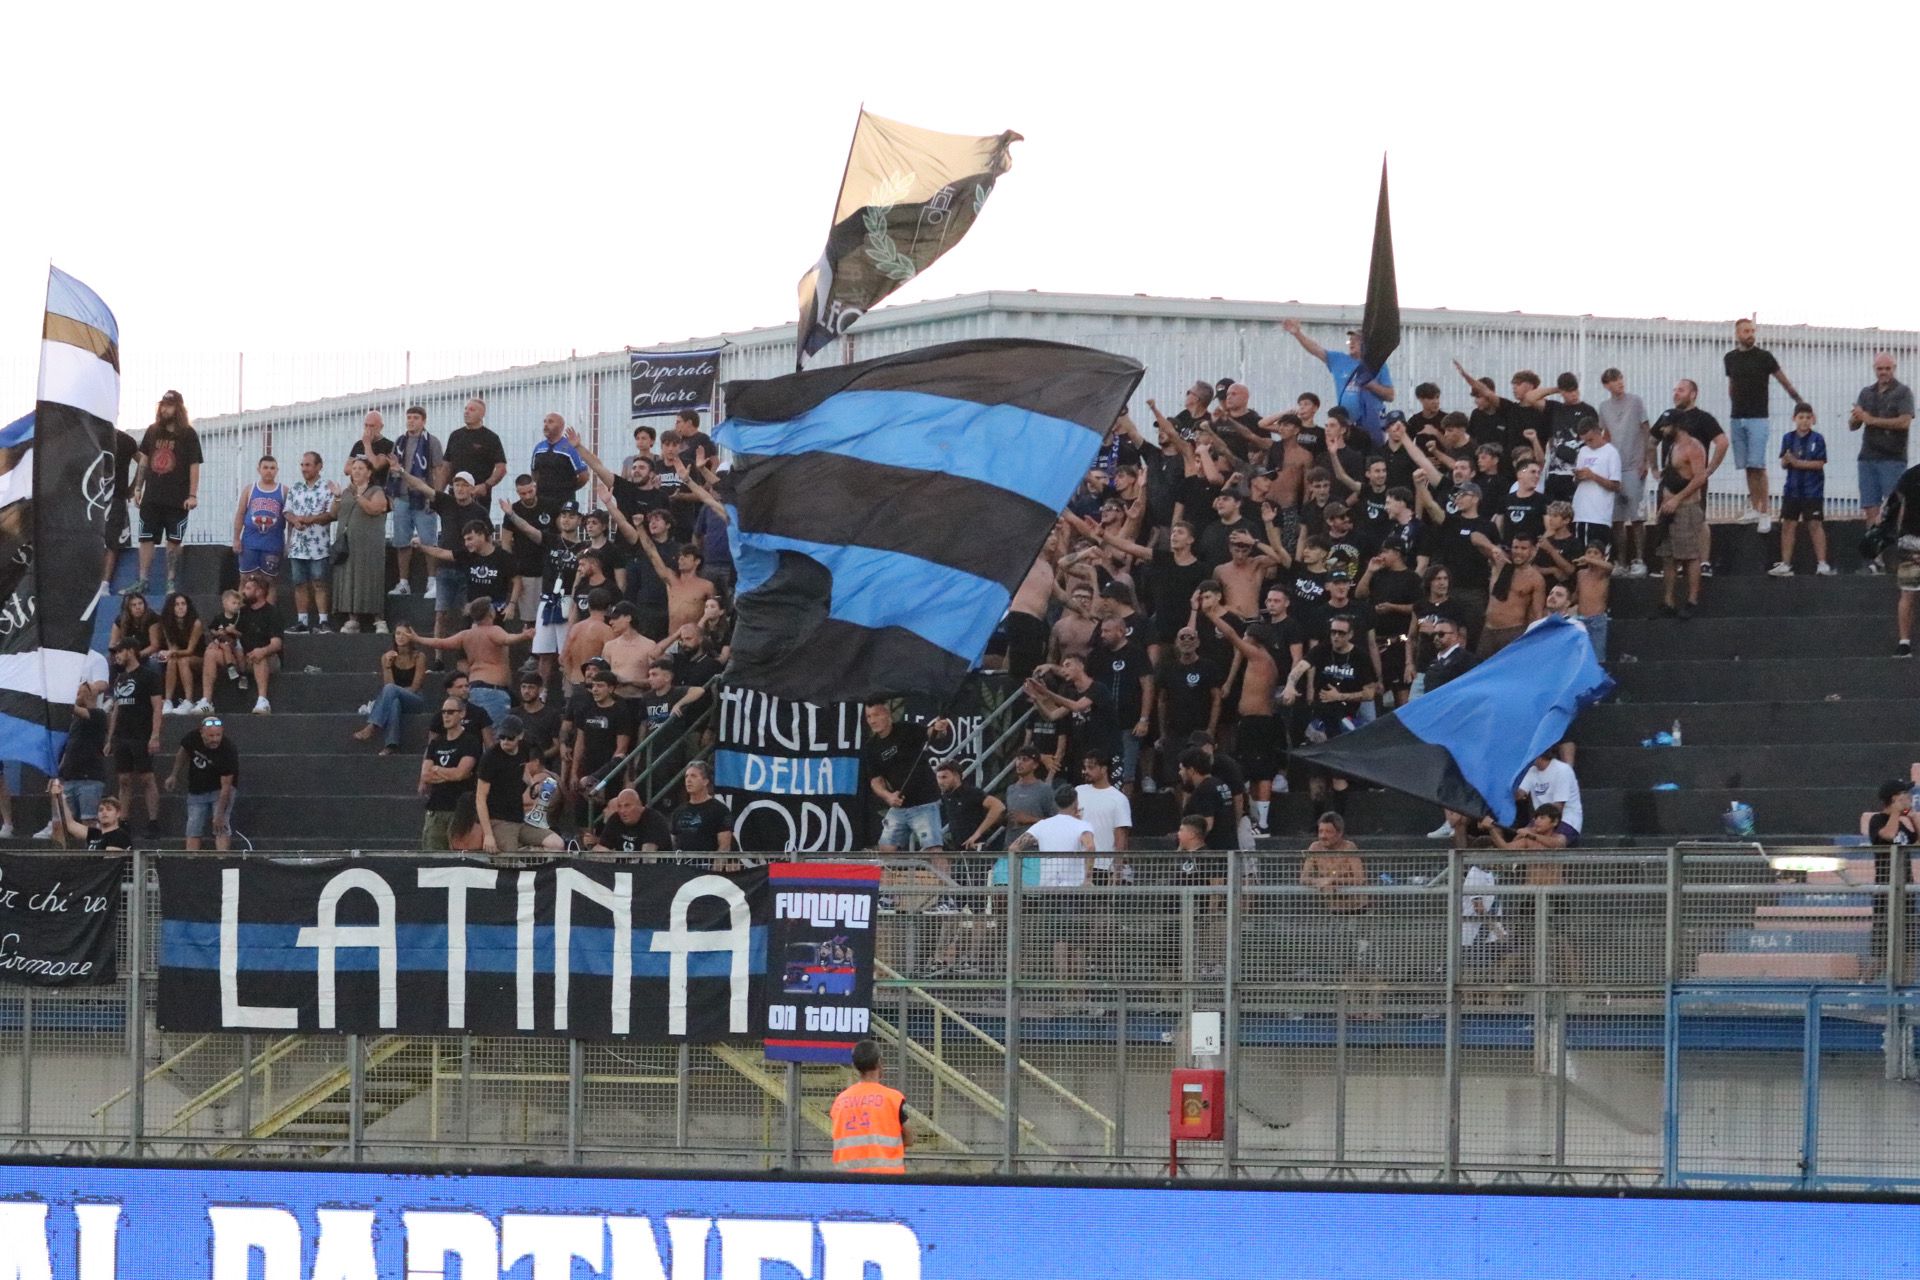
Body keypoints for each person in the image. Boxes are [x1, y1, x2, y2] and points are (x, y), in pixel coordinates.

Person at [1724, 319, 1803, 531]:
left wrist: (1799, 401)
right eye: (1746, 331)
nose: (1750, 334)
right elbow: (1732, 385)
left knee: (1758, 465)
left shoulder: (1764, 357)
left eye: (1752, 331)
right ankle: (1755, 507)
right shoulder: (1730, 358)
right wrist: (1735, 407)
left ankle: (1766, 511)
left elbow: (1783, 381)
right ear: (1737, 334)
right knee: (1747, 466)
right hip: (1737, 417)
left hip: (1758, 417)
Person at [130, 389, 203, 595]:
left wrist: (192, 495)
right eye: (163, 405)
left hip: (177, 498)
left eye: (169, 406)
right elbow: (144, 460)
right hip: (152, 497)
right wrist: (138, 487)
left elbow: (194, 465)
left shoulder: (188, 434)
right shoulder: (153, 431)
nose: (164, 410)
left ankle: (170, 581)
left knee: (173, 540)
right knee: (145, 537)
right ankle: (143, 580)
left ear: (178, 409)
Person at [864, 700, 951, 864]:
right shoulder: (871, 747)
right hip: (899, 805)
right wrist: (888, 796)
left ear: (888, 715)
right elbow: (876, 781)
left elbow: (932, 733)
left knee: (933, 849)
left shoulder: (906, 729)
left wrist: (939, 728)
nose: (872, 720)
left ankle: (945, 882)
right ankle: (889, 881)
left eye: (876, 715)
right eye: (868, 717)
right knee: (885, 849)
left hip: (925, 802)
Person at [1283, 319, 1394, 442]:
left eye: (1357, 340)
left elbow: (1390, 395)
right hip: (1347, 424)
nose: (1351, 343)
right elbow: (1316, 349)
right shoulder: (1339, 360)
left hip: (1371, 423)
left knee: (1372, 450)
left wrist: (1372, 386)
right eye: (1350, 340)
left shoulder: (1378, 364)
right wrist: (1297, 333)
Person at [475, 716, 566, 854]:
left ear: (520, 736)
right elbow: (480, 798)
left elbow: (521, 767)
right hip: (498, 820)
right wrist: (488, 834)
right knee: (510, 856)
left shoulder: (524, 748)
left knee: (557, 844)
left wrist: (532, 783)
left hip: (520, 818)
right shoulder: (490, 759)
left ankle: (532, 856)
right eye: (502, 737)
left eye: (510, 738)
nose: (505, 741)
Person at [33, 682, 110, 841]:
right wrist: (56, 775)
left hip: (89, 778)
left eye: (79, 693)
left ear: (89, 695)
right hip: (69, 778)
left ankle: (94, 850)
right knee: (63, 821)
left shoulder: (99, 715)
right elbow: (67, 750)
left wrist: (56, 698)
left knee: (89, 820)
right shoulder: (73, 722)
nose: (76, 697)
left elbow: (75, 709)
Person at [196, 574, 281, 715]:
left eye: (248, 588)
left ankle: (263, 701)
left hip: (266, 658)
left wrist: (263, 651)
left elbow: (276, 644)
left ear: (259, 592)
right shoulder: (240, 611)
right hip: (240, 656)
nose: (243, 592)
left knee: (258, 654)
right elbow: (229, 633)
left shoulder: (272, 613)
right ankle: (206, 702)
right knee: (210, 653)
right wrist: (217, 641)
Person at [1861, 779, 1920, 978]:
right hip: (1886, 892)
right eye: (1905, 794)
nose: (1909, 797)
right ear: (1895, 798)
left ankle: (1906, 988)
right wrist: (1896, 812)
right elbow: (1887, 835)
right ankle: (1863, 984)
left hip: (1905, 890)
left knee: (1909, 949)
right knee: (1882, 954)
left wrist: (1913, 817)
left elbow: (1917, 841)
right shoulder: (1877, 820)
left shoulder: (1902, 823)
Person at [1853, 354, 1916, 538]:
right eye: (1880, 369)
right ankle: (1874, 547)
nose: (1883, 372)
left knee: (1893, 505)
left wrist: (1871, 420)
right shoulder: (1866, 393)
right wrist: (1857, 416)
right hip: (1867, 457)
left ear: (1894, 369)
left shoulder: (1903, 392)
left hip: (1892, 458)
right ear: (1875, 369)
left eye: (1887, 368)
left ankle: (1894, 545)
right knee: (1870, 506)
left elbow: (1904, 422)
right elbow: (1853, 425)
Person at [1655, 410, 1709, 619]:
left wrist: (1677, 499)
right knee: (1668, 557)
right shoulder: (1672, 447)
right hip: (1669, 509)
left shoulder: (1693, 447)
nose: (1663, 429)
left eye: (1666, 425)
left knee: (1690, 556)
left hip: (1686, 508)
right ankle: (1668, 601)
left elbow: (1700, 477)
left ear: (1677, 425)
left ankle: (1692, 600)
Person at [330, 454, 392, 634]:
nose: (356, 471)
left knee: (371, 579)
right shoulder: (346, 492)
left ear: (369, 472)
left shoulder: (376, 490)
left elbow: (376, 508)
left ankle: (379, 620)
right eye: (354, 468)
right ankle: (352, 620)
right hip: (349, 546)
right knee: (350, 579)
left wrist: (358, 495)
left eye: (360, 468)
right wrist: (337, 497)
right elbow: (334, 514)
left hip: (369, 547)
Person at [105, 637, 163, 832]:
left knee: (147, 778)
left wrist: (155, 735)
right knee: (123, 780)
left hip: (141, 734)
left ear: (130, 651)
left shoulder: (149, 676)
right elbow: (116, 709)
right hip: (122, 735)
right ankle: (123, 821)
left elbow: (157, 707)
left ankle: (153, 821)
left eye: (120, 652)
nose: (117, 656)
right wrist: (110, 738)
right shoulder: (120, 678)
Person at [1599, 368, 1652, 576]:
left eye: (1620, 378)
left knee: (1637, 516)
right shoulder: (1604, 407)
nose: (1619, 383)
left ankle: (1639, 559)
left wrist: (1645, 460)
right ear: (1606, 385)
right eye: (1614, 380)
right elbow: (1606, 434)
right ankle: (1620, 561)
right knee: (1617, 519)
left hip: (1633, 464)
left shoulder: (1635, 401)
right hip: (1614, 468)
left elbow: (1646, 429)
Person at [829, 1039, 910, 1174]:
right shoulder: (893, 1099)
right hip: (887, 1178)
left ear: (855, 1066)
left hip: (847, 1179)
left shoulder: (839, 1102)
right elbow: (909, 1137)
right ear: (879, 1062)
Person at [386, 406, 443, 597]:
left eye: (415, 417)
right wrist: (391, 495)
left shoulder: (432, 442)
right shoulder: (399, 441)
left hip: (424, 498)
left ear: (423, 421)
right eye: (409, 417)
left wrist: (435, 497)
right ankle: (403, 583)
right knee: (401, 542)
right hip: (402, 497)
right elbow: (393, 468)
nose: (411, 421)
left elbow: (438, 470)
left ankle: (432, 582)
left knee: (429, 541)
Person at [414, 520, 517, 625]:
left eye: (470, 539)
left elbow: (517, 582)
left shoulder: (503, 557)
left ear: (481, 535)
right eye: (465, 540)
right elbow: (441, 552)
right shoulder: (467, 555)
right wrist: (421, 547)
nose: (466, 544)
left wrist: (512, 605)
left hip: (496, 612)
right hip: (473, 612)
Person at [1771, 404, 1833, 577]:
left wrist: (1798, 463)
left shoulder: (1817, 439)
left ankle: (1822, 563)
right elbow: (1784, 462)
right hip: (1792, 490)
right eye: (1801, 417)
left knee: (1814, 524)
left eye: (1808, 417)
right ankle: (1786, 564)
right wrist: (1787, 461)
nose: (1804, 421)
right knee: (1788, 525)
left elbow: (1819, 463)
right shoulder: (1788, 438)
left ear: (1812, 419)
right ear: (1794, 419)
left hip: (1812, 490)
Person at [282, 451, 336, 633]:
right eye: (302, 465)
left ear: (319, 466)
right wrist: (295, 521)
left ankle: (323, 621)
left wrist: (310, 519)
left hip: (319, 545)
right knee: (299, 583)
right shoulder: (295, 488)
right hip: (298, 546)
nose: (304, 469)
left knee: (319, 583)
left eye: (308, 465)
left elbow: (332, 514)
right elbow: (287, 511)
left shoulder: (327, 487)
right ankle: (302, 622)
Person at [419, 697, 483, 850]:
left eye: (450, 712)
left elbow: (461, 773)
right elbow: (426, 775)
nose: (446, 716)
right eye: (444, 712)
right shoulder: (436, 743)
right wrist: (450, 774)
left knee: (458, 855)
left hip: (460, 810)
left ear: (462, 713)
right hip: (436, 808)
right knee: (432, 854)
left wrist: (437, 769)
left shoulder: (471, 741)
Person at [566, 670, 636, 808]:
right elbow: (580, 742)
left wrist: (605, 776)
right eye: (593, 686)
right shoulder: (586, 709)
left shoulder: (621, 711)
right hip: (587, 768)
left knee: (608, 810)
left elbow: (621, 749)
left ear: (611, 688)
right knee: (583, 812)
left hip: (609, 771)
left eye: (600, 685)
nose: (595, 689)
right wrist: (574, 772)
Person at [169, 714, 238, 852]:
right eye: (211, 736)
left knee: (221, 827)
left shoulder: (228, 750)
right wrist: (174, 775)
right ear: (202, 733)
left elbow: (226, 787)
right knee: (193, 827)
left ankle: (222, 859)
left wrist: (219, 815)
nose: (215, 739)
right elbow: (182, 753)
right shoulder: (192, 737)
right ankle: (191, 859)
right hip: (197, 789)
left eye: (218, 735)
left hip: (220, 790)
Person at [353, 629, 428, 754]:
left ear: (411, 636)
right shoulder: (387, 657)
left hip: (415, 699)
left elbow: (415, 687)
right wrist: (388, 666)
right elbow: (388, 684)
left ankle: (372, 725)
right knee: (394, 703)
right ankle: (391, 745)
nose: (400, 637)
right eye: (398, 633)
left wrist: (396, 691)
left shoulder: (419, 656)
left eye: (404, 634)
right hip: (394, 698)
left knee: (391, 690)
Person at [1074, 751, 1133, 883]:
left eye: (1091, 767)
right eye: (1085, 767)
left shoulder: (1119, 799)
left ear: (1104, 769)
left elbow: (1120, 836)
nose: (1086, 771)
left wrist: (1117, 870)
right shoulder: (1078, 791)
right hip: (1077, 865)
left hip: (1103, 866)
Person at [1882, 461, 1920, 657]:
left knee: (1907, 593)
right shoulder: (1910, 476)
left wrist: (1897, 536)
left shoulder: (1909, 475)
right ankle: (1903, 643)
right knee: (1907, 593)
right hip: (1910, 540)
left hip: (1910, 540)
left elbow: (1894, 507)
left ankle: (1904, 643)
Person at [230, 454, 287, 586]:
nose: (269, 471)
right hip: (250, 543)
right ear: (259, 469)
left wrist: (288, 542)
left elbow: (289, 517)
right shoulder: (249, 489)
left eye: (272, 468)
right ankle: (242, 601)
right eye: (265, 467)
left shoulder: (284, 491)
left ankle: (269, 601)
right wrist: (236, 539)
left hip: (273, 544)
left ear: (277, 470)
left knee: (270, 582)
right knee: (245, 580)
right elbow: (240, 514)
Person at [438, 398, 508, 499]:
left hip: (478, 497)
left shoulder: (491, 438)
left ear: (482, 414)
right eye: (466, 409)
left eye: (472, 410)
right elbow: (446, 468)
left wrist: (485, 486)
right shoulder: (455, 436)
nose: (466, 412)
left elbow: (501, 469)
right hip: (455, 495)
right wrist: (438, 495)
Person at [1571, 416, 1622, 553]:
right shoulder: (1583, 451)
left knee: (1596, 552)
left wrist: (1593, 476)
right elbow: (1576, 482)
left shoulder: (1611, 453)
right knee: (1579, 552)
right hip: (1580, 511)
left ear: (1598, 432)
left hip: (1599, 514)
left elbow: (1616, 486)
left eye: (1590, 440)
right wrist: (1578, 477)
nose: (1588, 444)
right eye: (1585, 441)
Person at [670, 760, 735, 864]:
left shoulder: (720, 810)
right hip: (682, 868)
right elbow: (673, 842)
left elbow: (724, 846)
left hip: (706, 868)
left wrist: (715, 868)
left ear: (705, 781)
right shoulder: (678, 811)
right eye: (686, 776)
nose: (688, 780)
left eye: (693, 776)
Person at [935, 759, 1005, 851]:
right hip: (958, 849)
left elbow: (998, 806)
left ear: (956, 776)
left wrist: (977, 834)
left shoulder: (971, 792)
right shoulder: (946, 796)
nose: (940, 782)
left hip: (975, 847)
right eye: (938, 778)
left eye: (944, 777)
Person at [1517, 750, 1584, 839]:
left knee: (1534, 839)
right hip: (1541, 820)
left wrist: (1533, 831)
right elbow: (1520, 794)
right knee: (1519, 838)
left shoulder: (1562, 770)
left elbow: (1558, 808)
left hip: (1565, 819)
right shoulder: (1531, 770)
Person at [529, 412, 589, 512]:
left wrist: (568, 489)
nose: (546, 425)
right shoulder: (539, 448)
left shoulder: (570, 447)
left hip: (564, 501)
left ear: (561, 426)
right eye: (544, 422)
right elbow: (534, 472)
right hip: (543, 500)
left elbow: (584, 476)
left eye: (550, 422)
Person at [156, 592, 203, 716]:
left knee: (182, 660)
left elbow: (190, 650)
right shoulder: (166, 623)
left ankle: (188, 701)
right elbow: (172, 647)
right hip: (179, 655)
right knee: (172, 660)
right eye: (177, 605)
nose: (181, 607)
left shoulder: (196, 623)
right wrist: (167, 653)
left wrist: (171, 652)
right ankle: (168, 701)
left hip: (199, 657)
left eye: (183, 604)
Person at [47, 782, 130, 851]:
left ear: (118, 814)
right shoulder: (95, 834)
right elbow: (70, 824)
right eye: (101, 810)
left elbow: (110, 862)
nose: (104, 812)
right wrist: (60, 796)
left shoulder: (119, 836)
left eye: (109, 809)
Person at [589, 786, 671, 852]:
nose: (622, 811)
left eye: (627, 806)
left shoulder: (653, 819)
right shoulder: (615, 818)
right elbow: (601, 849)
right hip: (622, 866)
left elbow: (648, 856)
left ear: (639, 805)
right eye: (619, 806)